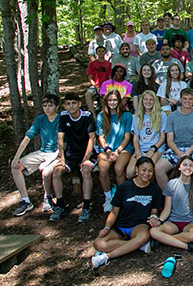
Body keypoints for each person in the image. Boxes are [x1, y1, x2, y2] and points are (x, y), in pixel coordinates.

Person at [91, 157, 163, 269]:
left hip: (139, 225)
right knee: (98, 243)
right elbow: (114, 211)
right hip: (121, 225)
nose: (147, 173)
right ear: (136, 170)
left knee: (143, 236)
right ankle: (138, 246)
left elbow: (154, 210)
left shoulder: (154, 189)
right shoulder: (125, 187)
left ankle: (106, 257)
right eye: (144, 170)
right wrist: (107, 227)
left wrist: (154, 217)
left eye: (150, 171)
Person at [11, 94, 60, 217]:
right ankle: (25, 201)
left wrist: (49, 161)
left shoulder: (62, 119)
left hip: (57, 153)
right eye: (45, 106)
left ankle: (48, 197)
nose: (47, 108)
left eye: (50, 105)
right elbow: (28, 138)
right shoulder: (40, 119)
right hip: (43, 152)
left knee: (46, 171)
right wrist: (17, 157)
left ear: (57, 106)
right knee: (16, 166)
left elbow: (63, 144)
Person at [51, 93, 96, 223]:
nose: (71, 106)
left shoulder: (87, 116)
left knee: (86, 170)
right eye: (68, 104)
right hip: (71, 153)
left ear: (79, 104)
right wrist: (62, 159)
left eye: (73, 103)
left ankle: (86, 206)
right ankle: (59, 205)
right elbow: (60, 138)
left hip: (87, 152)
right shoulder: (64, 116)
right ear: (65, 106)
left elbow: (91, 138)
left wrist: (86, 158)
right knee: (57, 171)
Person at [149, 156, 193, 253]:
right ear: (179, 167)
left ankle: (165, 240)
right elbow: (167, 209)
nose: (188, 167)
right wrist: (159, 220)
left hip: (190, 222)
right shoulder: (171, 184)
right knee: (153, 231)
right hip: (173, 221)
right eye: (185, 165)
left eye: (191, 165)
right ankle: (188, 246)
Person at [155, 89, 193, 190]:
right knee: (158, 168)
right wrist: (178, 152)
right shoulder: (172, 116)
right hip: (176, 149)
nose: (187, 101)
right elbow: (169, 140)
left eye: (190, 99)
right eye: (185, 99)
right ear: (180, 99)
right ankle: (169, 196)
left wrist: (189, 151)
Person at [96, 90, 134, 213]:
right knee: (103, 169)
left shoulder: (126, 115)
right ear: (106, 101)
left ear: (119, 101)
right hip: (106, 149)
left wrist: (117, 151)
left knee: (119, 169)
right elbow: (100, 136)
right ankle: (108, 198)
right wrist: (107, 150)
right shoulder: (101, 116)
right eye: (110, 100)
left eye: (115, 100)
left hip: (123, 148)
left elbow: (127, 136)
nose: (112, 102)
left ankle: (122, 197)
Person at [127, 90, 166, 178]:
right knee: (130, 172)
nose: (148, 102)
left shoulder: (161, 115)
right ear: (142, 101)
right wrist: (138, 153)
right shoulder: (137, 116)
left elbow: (162, 137)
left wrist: (152, 150)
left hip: (156, 148)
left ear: (155, 101)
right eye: (146, 99)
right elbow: (136, 138)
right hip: (141, 148)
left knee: (148, 169)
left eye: (151, 100)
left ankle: (150, 191)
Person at [85, 45, 112, 113]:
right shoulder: (92, 64)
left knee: (105, 96)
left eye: (102, 51)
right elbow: (90, 77)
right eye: (99, 51)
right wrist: (96, 86)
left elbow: (110, 77)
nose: (101, 53)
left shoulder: (109, 64)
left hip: (105, 86)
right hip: (94, 86)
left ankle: (104, 113)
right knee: (88, 94)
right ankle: (92, 114)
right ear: (96, 53)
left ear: (105, 53)